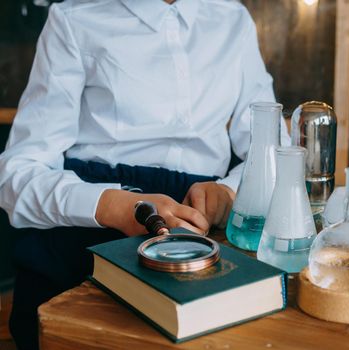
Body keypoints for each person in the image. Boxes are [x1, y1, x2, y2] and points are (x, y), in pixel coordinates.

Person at [0, 0, 290, 349]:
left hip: (199, 228)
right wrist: (114, 206)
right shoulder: (74, 18)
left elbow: (272, 148)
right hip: (87, 228)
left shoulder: (232, 19)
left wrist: (228, 192)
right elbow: (16, 175)